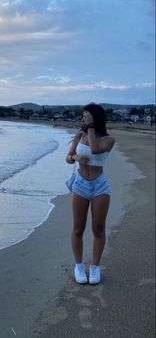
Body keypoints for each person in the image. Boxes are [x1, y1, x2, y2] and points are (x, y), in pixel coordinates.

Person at [66, 103, 115, 284]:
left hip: (99, 186)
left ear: (96, 118)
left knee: (98, 229)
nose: (83, 119)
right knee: (78, 228)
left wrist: (92, 128)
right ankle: (79, 266)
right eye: (83, 115)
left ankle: (95, 267)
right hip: (80, 184)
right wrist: (75, 157)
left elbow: (95, 149)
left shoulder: (109, 139)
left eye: (87, 116)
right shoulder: (79, 135)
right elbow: (68, 158)